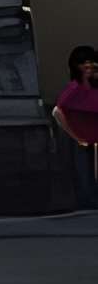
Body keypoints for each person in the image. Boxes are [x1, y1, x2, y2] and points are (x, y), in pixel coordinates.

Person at [52, 45, 98, 211]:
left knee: (88, 168)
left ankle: (89, 199)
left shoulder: (90, 87)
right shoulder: (74, 88)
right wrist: (75, 134)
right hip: (80, 135)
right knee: (82, 168)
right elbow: (58, 112)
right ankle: (86, 200)